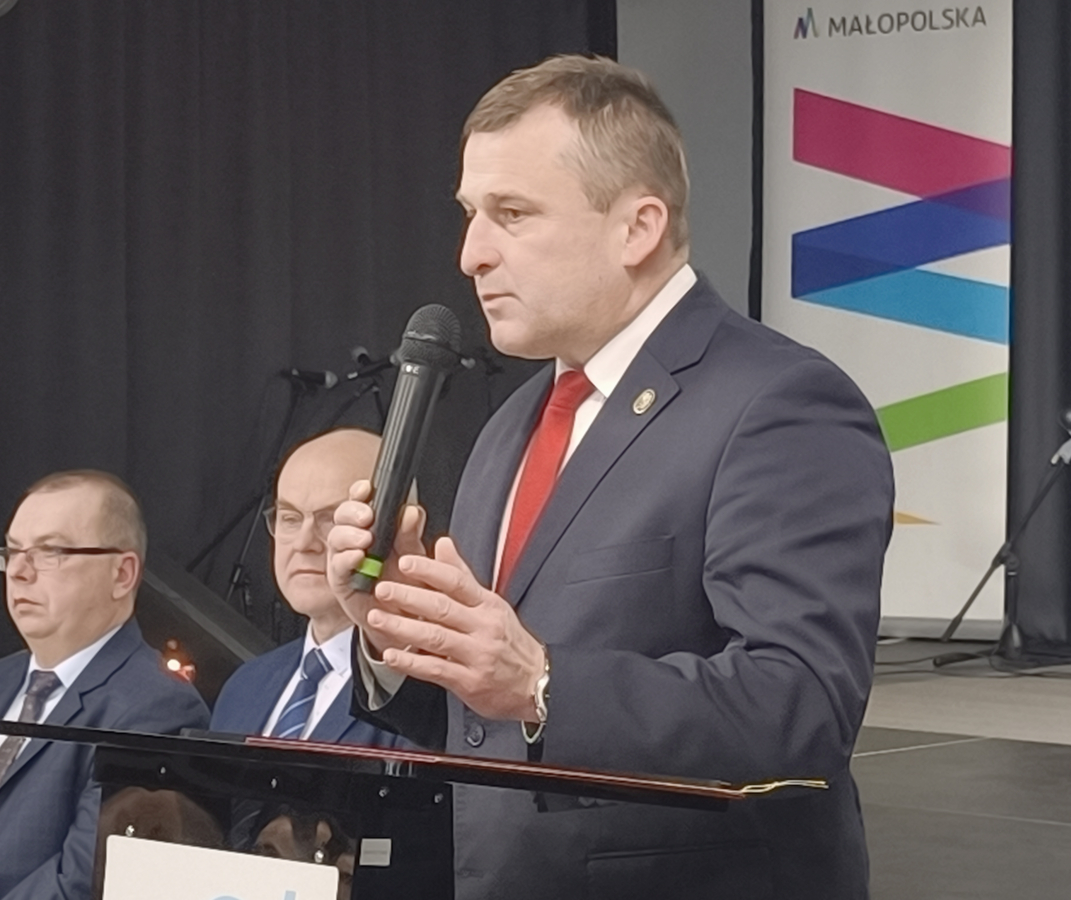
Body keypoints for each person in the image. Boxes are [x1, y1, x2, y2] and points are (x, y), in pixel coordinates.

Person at [329, 55, 894, 899]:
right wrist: (397, 633)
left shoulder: (780, 404)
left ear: (638, 228)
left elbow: (802, 706)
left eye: (512, 213)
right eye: (471, 214)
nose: (471, 254)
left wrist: (543, 681)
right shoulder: (513, 422)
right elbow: (487, 722)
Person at [0, 470, 210, 900]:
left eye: (50, 551)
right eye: (13, 551)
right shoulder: (4, 677)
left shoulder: (158, 707)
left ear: (122, 574)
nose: (19, 571)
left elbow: (84, 880)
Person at [211, 428, 417, 751]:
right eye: (290, 518)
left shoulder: (431, 699)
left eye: (331, 519)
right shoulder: (243, 688)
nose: (303, 543)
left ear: (399, 529)